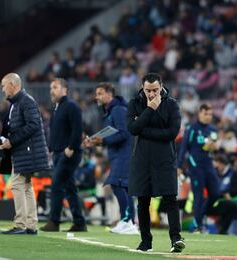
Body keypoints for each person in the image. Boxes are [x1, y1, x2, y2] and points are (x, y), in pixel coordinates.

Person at [127, 73, 185, 253]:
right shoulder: (134, 103)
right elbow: (132, 128)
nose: (151, 94)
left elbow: (171, 133)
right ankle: (146, 242)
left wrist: (143, 129)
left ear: (162, 87)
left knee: (170, 199)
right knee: (143, 200)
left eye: (155, 90)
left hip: (165, 160)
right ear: (142, 88)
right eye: (148, 90)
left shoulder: (172, 105)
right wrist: (150, 109)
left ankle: (176, 239)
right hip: (142, 159)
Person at [0, 73, 49, 235]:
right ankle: (31, 225)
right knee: (26, 186)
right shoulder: (17, 103)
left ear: (13, 84)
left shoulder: (26, 101)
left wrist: (11, 141)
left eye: (4, 85)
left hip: (28, 151)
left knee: (17, 184)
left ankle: (20, 224)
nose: (2, 89)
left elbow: (33, 125)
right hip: (24, 151)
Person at [85, 82, 138, 234]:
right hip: (118, 154)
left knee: (116, 184)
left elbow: (124, 134)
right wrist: (97, 141)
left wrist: (103, 140)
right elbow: (114, 134)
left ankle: (127, 221)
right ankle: (129, 223)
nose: (97, 97)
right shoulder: (112, 111)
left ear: (110, 94)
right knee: (124, 187)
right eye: (96, 93)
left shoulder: (118, 110)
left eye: (100, 93)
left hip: (124, 153)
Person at [40, 78, 87, 232]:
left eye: (55, 87)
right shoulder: (57, 107)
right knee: (70, 189)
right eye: (50, 87)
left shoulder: (71, 106)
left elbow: (78, 129)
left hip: (68, 153)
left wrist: (71, 147)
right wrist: (52, 148)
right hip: (59, 153)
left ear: (65, 89)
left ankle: (54, 221)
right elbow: (57, 132)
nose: (51, 90)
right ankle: (79, 223)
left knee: (56, 185)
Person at [177, 104, 220, 232]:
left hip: (208, 165)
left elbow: (215, 149)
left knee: (215, 194)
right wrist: (179, 166)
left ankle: (200, 216)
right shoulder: (192, 128)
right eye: (206, 114)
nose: (208, 117)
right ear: (200, 113)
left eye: (210, 114)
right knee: (198, 195)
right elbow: (184, 147)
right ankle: (197, 225)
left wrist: (214, 147)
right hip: (195, 165)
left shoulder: (212, 129)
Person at [208, 154, 237, 235]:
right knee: (221, 234)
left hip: (235, 209)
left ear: (222, 163)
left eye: (217, 165)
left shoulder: (234, 174)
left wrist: (225, 193)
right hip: (223, 211)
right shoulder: (218, 175)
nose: (215, 168)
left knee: (232, 234)